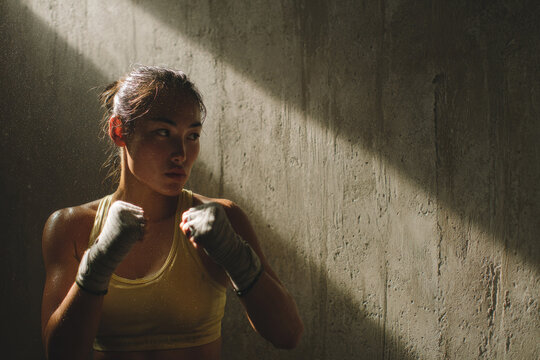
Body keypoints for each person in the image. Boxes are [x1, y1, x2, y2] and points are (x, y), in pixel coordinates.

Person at [41, 66, 303, 360]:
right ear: (118, 131)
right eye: (163, 132)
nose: (181, 153)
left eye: (192, 135)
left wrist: (236, 256)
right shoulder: (71, 227)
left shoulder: (221, 218)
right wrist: (99, 262)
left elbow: (288, 335)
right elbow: (60, 354)